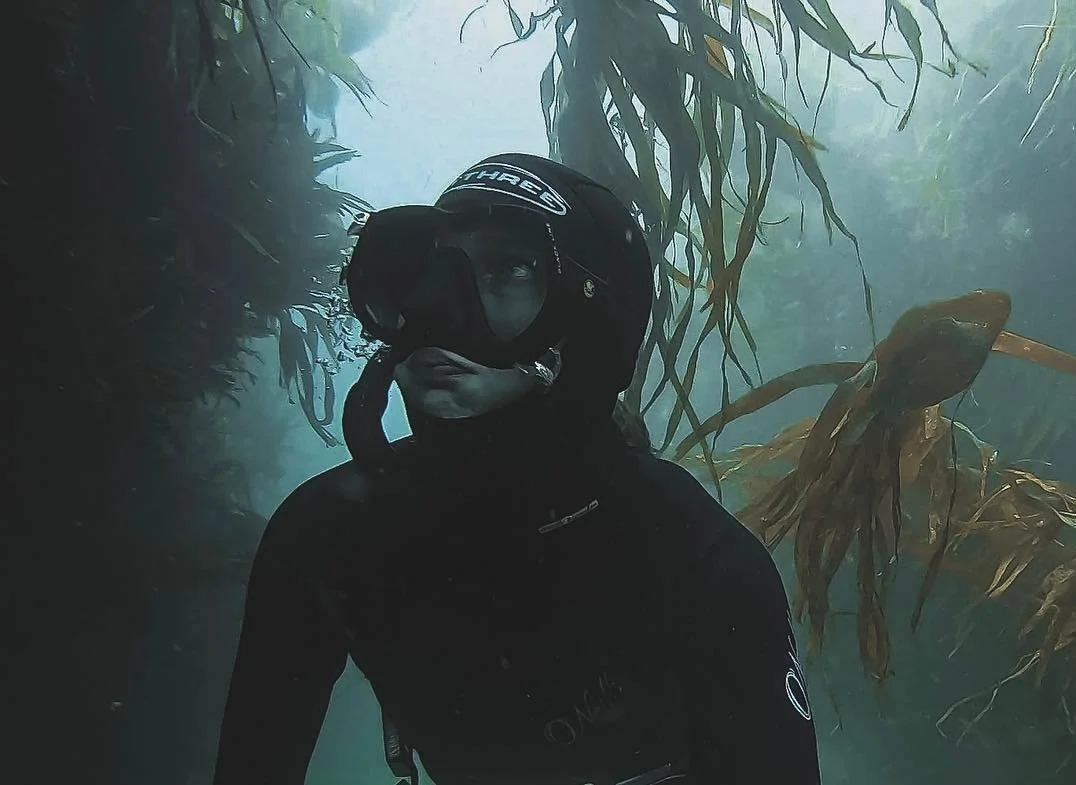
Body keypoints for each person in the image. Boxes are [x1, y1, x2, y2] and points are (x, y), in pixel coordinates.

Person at [212, 154, 822, 785]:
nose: (434, 308)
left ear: (582, 310)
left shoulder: (690, 554)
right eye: (419, 268)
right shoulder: (324, 541)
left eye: (505, 268)